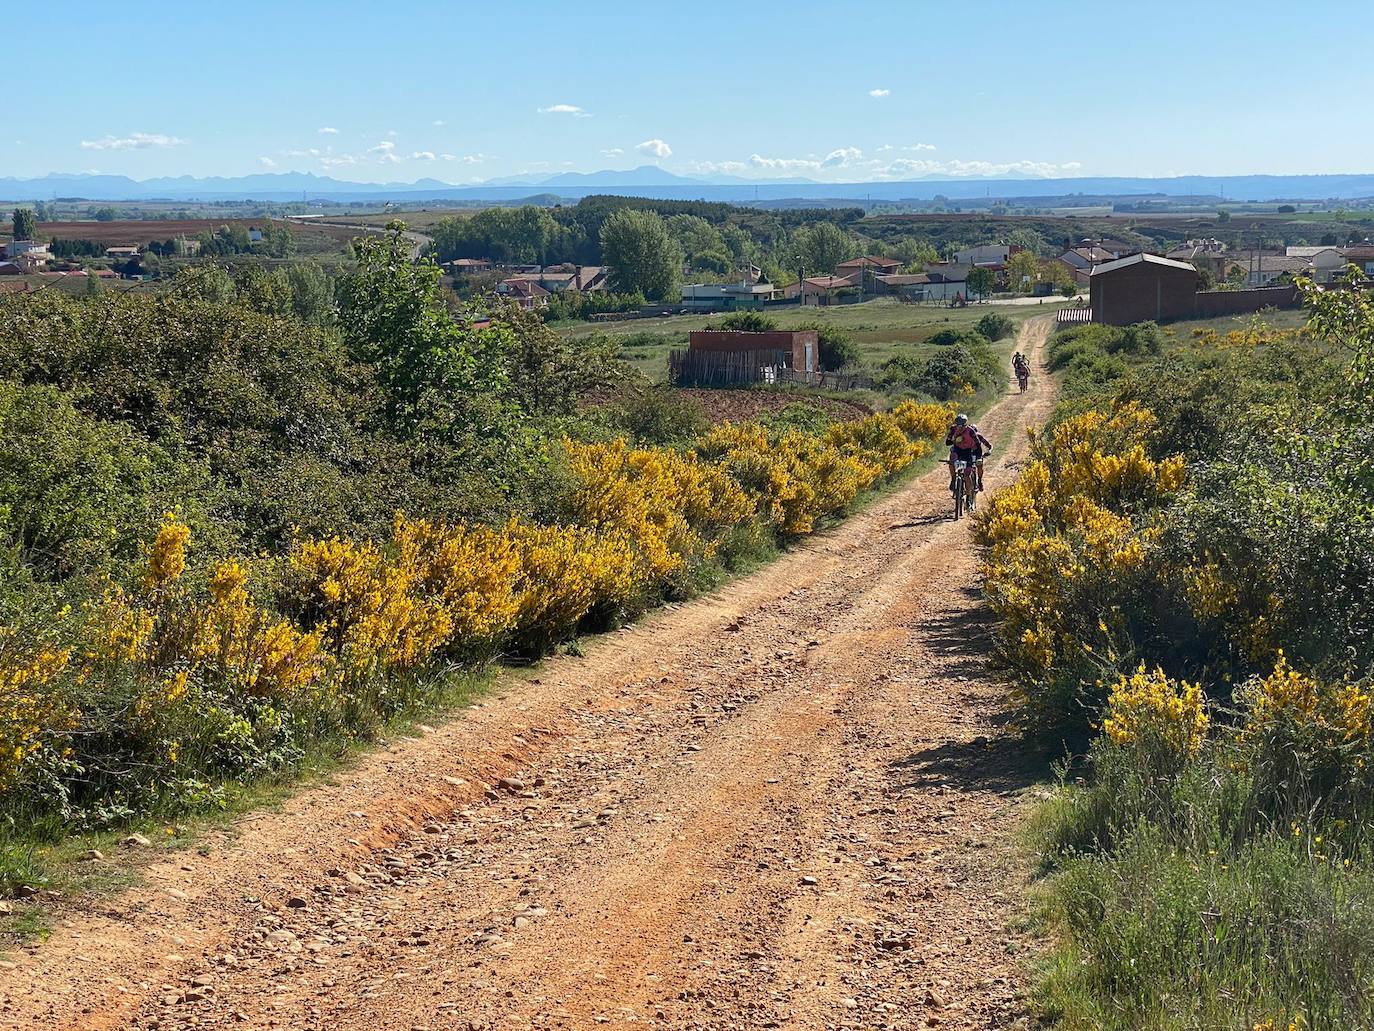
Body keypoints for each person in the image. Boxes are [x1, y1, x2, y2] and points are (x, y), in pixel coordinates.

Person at [946, 413, 993, 493]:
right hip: (957, 449)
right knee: (952, 460)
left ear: (966, 425)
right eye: (958, 425)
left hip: (968, 451)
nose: (959, 428)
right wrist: (954, 439)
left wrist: (979, 456)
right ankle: (953, 479)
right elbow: (947, 442)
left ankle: (969, 494)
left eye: (962, 426)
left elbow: (978, 444)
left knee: (967, 474)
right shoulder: (953, 429)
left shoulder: (971, 431)